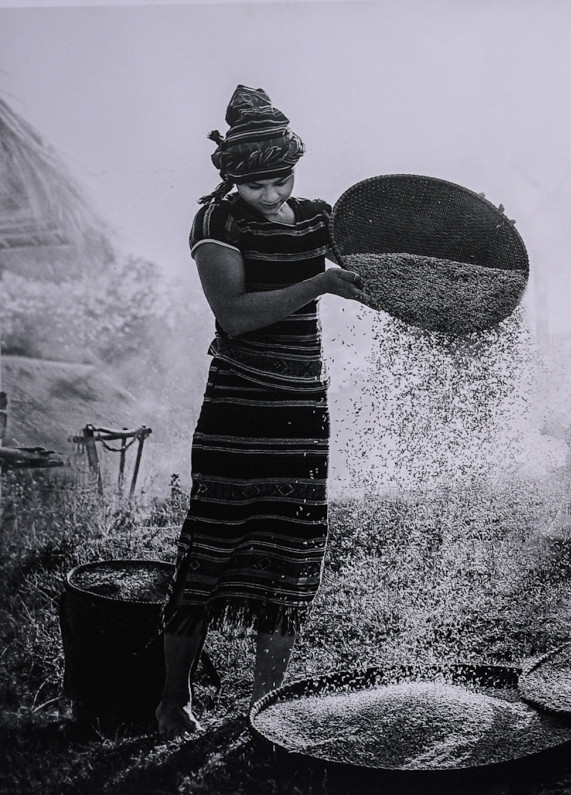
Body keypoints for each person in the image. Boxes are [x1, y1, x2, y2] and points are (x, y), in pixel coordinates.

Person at [156, 85, 365, 739]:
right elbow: (237, 316)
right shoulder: (215, 223)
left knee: (292, 558)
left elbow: (376, 270)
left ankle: (264, 708)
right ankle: (172, 699)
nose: (272, 195)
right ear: (232, 176)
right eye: (258, 184)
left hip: (303, 413)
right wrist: (320, 282)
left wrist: (447, 257)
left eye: (282, 179)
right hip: (237, 416)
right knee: (210, 553)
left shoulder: (316, 217)